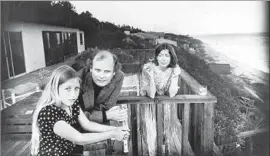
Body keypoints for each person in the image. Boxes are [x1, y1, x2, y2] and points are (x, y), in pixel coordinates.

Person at [31, 65, 129, 156]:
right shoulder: (49, 112)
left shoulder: (71, 104)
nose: (73, 94)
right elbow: (79, 138)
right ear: (55, 88)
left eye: (76, 88)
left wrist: (115, 129)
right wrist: (112, 134)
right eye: (67, 89)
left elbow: (87, 124)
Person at [140, 43, 181, 156]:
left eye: (167, 55)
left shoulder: (173, 70)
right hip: (150, 106)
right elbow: (152, 94)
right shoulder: (147, 68)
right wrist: (151, 76)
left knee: (167, 136)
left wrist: (175, 76)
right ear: (156, 57)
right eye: (160, 55)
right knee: (151, 136)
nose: (163, 59)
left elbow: (172, 94)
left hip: (166, 106)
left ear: (171, 57)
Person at [77, 50, 127, 124]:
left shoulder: (118, 77)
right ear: (91, 68)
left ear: (114, 72)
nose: (102, 76)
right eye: (97, 70)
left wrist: (100, 115)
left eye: (107, 71)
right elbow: (74, 115)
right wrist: (105, 115)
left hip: (98, 122)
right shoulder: (78, 80)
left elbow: (107, 106)